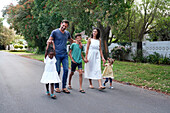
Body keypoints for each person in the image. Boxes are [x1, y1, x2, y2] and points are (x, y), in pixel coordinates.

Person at [48, 20, 73, 94]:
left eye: (65, 26)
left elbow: (71, 40)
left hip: (64, 54)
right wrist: (49, 43)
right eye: (63, 25)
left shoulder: (67, 33)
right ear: (61, 24)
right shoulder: (55, 32)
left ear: (67, 27)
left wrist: (78, 43)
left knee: (66, 70)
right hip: (57, 54)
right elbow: (50, 39)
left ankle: (64, 87)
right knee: (57, 71)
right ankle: (56, 87)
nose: (64, 27)